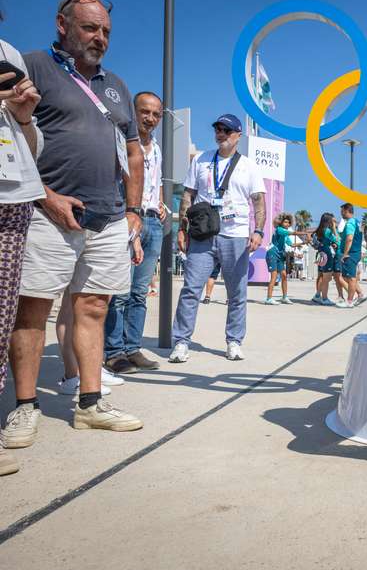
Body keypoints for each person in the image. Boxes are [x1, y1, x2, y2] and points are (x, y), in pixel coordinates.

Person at [3, 0, 145, 449]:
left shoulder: (117, 86)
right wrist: (45, 196)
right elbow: (11, 135)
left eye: (105, 31)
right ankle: (25, 406)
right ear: (62, 25)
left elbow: (132, 152)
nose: (99, 38)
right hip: (49, 213)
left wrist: (133, 210)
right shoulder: (31, 66)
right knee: (33, 311)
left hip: (106, 218)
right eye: (89, 28)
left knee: (93, 309)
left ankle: (89, 403)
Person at [169, 114, 266, 363]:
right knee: (191, 289)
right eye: (218, 129)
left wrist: (258, 231)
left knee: (237, 293)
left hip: (235, 236)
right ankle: (181, 342)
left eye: (226, 130)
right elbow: (188, 195)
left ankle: (234, 341)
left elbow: (258, 201)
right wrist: (182, 228)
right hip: (203, 235)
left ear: (237, 136)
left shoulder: (249, 166)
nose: (220, 134)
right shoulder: (201, 160)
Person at [0, 0, 46, 474]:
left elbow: (31, 145)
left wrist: (24, 115)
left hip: (13, 194)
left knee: (1, 316)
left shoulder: (9, 51)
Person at [103, 91, 166, 374]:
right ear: (134, 111)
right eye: (145, 112)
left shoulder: (158, 148)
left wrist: (161, 203)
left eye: (155, 114)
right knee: (120, 292)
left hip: (153, 222)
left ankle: (132, 347)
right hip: (130, 221)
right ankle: (114, 352)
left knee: (140, 292)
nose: (150, 118)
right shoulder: (121, 143)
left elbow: (156, 181)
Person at [264, 212, 303, 305]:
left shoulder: (285, 235)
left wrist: (304, 242)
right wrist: (305, 233)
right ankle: (268, 299)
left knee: (284, 276)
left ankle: (284, 297)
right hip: (272, 253)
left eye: (289, 222)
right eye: (285, 222)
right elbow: (292, 232)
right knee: (274, 276)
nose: (287, 224)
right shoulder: (279, 229)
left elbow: (292, 244)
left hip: (280, 255)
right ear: (280, 222)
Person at [335, 203, 366, 308]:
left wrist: (345, 253)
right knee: (346, 276)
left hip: (351, 253)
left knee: (351, 278)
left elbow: (349, 238)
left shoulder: (350, 223)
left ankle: (349, 301)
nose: (341, 214)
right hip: (356, 252)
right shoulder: (357, 222)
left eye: (342, 211)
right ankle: (360, 294)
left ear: (346, 210)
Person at [311, 212, 339, 306]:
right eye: (332, 220)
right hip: (326, 255)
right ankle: (325, 298)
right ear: (328, 221)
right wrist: (334, 228)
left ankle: (318, 295)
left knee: (322, 276)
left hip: (320, 254)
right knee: (326, 278)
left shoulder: (319, 230)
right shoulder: (327, 231)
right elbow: (337, 239)